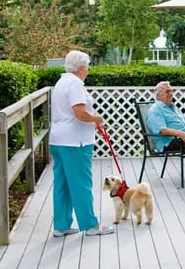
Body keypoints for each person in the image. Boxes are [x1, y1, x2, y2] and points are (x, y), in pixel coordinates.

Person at [49, 50, 114, 237]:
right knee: (81, 183)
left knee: (62, 183)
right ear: (81, 68)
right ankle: (90, 225)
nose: (88, 70)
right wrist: (97, 118)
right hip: (75, 142)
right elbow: (80, 113)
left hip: (58, 140)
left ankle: (61, 225)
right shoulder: (76, 84)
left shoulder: (61, 82)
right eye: (88, 66)